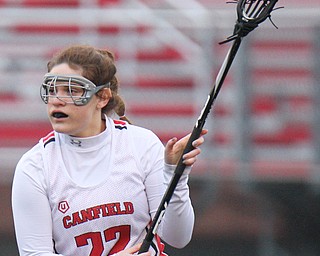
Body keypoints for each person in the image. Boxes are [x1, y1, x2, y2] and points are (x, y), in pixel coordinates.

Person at [12, 45, 207, 256]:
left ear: (103, 97)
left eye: (72, 90)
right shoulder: (34, 167)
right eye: (52, 90)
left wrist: (174, 176)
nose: (57, 100)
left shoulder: (141, 144)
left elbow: (178, 237)